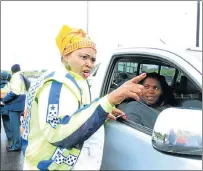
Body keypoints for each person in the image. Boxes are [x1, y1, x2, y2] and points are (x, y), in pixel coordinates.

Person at [21, 25, 146, 170]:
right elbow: (58, 132)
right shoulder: (57, 84)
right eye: (83, 57)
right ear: (66, 56)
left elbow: (76, 113)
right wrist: (110, 99)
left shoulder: (73, 80)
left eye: (93, 60)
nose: (90, 64)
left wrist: (102, 112)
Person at [1, 64, 27, 152]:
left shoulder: (15, 77)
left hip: (14, 106)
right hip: (19, 105)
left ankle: (16, 146)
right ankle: (17, 144)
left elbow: (14, 92)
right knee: (16, 126)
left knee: (14, 127)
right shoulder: (22, 76)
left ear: (12, 71)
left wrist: (4, 100)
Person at [0, 71, 12, 143]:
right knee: (7, 121)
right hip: (6, 107)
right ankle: (9, 136)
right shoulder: (10, 86)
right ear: (7, 77)